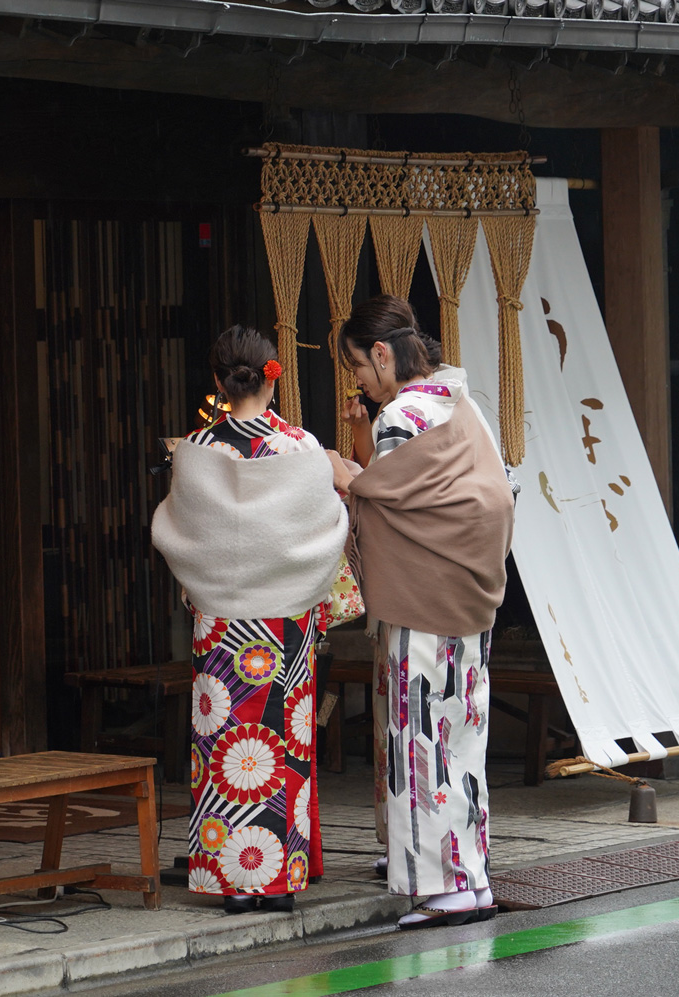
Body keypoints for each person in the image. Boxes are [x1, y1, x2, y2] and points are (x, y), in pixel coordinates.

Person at [327, 295, 516, 930]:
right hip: (467, 596)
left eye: (357, 366)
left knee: (420, 743)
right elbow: (462, 496)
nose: (358, 379)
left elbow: (384, 499)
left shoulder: (402, 417)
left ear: (382, 354)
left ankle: (443, 890)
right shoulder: (458, 405)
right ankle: (473, 878)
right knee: (461, 741)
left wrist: (342, 474)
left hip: (422, 600)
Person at [152, 326, 348, 915]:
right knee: (280, 747)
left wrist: (208, 587)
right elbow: (327, 530)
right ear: (273, 373)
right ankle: (280, 879)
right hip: (285, 623)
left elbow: (179, 534)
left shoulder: (195, 450)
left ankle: (233, 880)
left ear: (216, 381)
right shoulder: (302, 448)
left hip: (219, 622)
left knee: (225, 752)